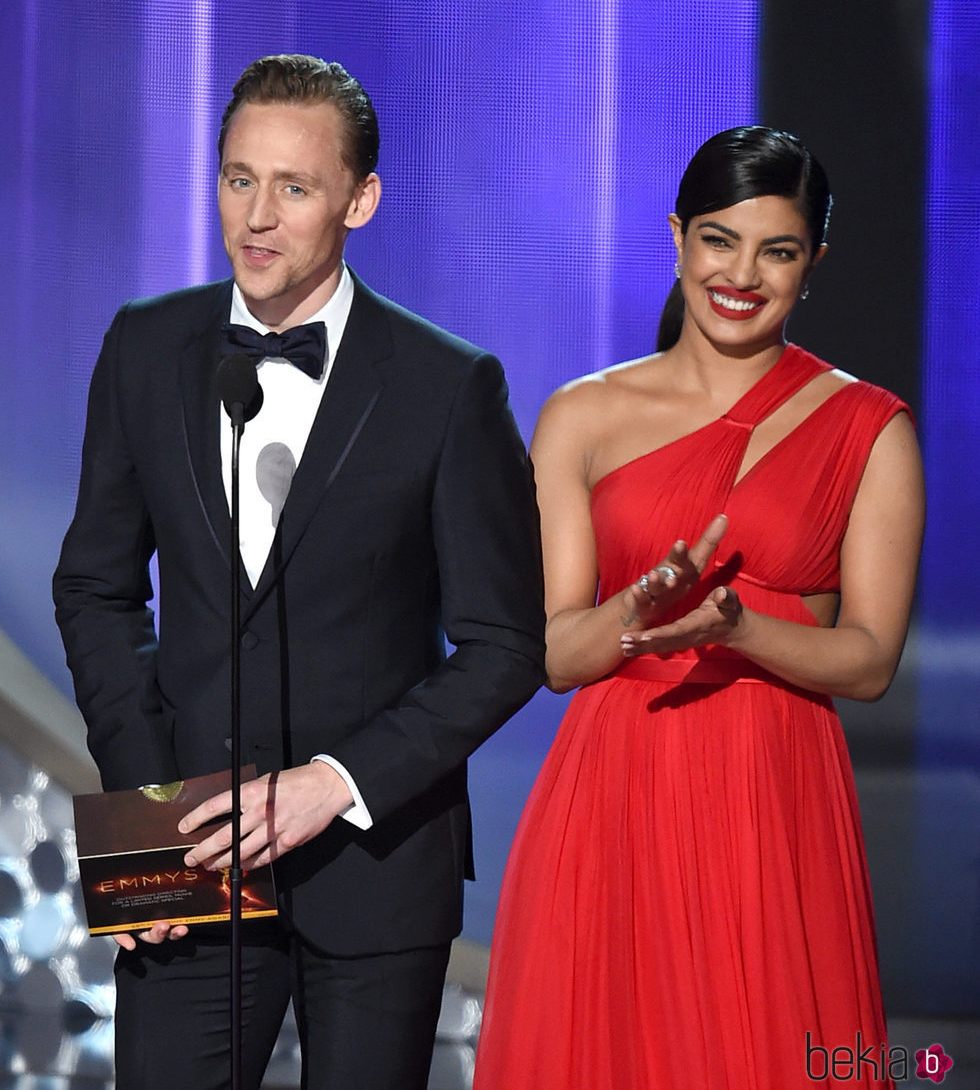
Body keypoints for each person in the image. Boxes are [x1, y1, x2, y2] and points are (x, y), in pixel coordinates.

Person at [53, 54, 544, 1089]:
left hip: (376, 871)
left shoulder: (446, 385)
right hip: (183, 858)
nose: (257, 217)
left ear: (360, 199)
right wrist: (147, 816)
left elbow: (503, 646)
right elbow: (96, 586)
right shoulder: (146, 347)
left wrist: (337, 784)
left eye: (294, 186)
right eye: (238, 179)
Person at [473, 126, 923, 1089]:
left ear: (816, 262)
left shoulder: (869, 428)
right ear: (678, 238)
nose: (742, 274)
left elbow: (873, 659)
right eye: (719, 240)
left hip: (774, 802)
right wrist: (641, 600)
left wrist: (741, 628)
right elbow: (556, 655)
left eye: (778, 250)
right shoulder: (580, 417)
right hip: (612, 799)